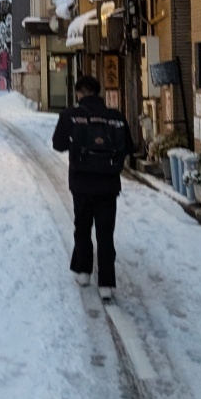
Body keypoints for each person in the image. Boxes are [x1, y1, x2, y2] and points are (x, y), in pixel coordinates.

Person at [51, 75, 135, 300]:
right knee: (106, 233)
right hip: (108, 183)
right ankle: (107, 284)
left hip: (81, 182)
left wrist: (76, 145)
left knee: (83, 226)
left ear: (79, 93)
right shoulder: (115, 117)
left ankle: (83, 271)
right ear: (98, 93)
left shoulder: (70, 115)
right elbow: (128, 147)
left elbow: (58, 144)